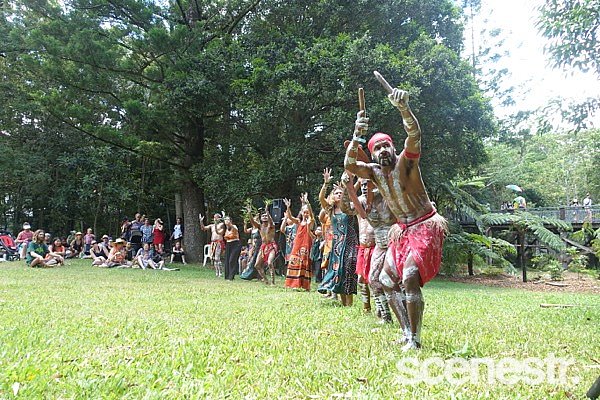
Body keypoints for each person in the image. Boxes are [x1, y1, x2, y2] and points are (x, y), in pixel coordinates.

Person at [344, 82, 447, 350]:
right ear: (373, 154)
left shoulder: (406, 162)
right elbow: (349, 165)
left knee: (409, 276)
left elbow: (414, 134)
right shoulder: (374, 173)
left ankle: (415, 339)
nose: (383, 151)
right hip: (401, 230)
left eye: (386, 146)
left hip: (424, 226)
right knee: (386, 280)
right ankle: (406, 332)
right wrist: (356, 136)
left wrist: (404, 108)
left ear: (393, 147)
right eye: (377, 148)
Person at [317, 171, 358, 306]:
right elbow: (321, 198)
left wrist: (351, 181)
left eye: (341, 193)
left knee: (348, 270)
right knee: (338, 271)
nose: (339, 194)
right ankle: (344, 303)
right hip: (337, 246)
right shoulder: (330, 210)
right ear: (332, 196)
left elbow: (353, 190)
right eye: (336, 193)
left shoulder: (350, 207)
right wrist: (325, 183)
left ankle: (349, 304)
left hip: (350, 243)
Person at [284, 194, 315, 291]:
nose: (306, 214)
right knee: (294, 260)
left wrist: (307, 203)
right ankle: (294, 284)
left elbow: (311, 215)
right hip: (297, 244)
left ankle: (305, 285)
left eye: (307, 212)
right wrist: (288, 207)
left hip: (306, 244)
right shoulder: (298, 221)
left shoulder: (311, 221)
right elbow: (290, 217)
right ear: (302, 213)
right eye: (304, 212)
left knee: (305, 262)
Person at [246, 206, 279, 285]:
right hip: (263, 246)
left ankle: (273, 282)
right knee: (257, 265)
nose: (264, 217)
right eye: (263, 216)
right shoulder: (260, 226)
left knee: (270, 263)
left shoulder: (271, 225)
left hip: (271, 246)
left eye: (266, 216)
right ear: (260, 218)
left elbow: (271, 222)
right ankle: (266, 280)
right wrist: (249, 213)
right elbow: (252, 222)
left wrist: (268, 213)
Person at [199, 213, 226, 277]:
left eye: (216, 217)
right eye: (214, 217)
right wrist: (201, 221)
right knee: (213, 258)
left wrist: (223, 217)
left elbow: (222, 228)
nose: (215, 218)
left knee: (217, 258)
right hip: (213, 243)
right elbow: (203, 228)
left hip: (219, 242)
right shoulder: (212, 226)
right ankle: (217, 272)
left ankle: (220, 272)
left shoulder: (221, 225)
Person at [223, 216, 242, 281]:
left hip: (236, 244)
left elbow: (233, 228)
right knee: (227, 260)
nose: (226, 221)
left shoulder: (234, 226)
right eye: (225, 220)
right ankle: (227, 276)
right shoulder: (226, 229)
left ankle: (231, 277)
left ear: (231, 221)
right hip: (228, 244)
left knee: (232, 260)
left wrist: (229, 223)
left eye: (227, 219)